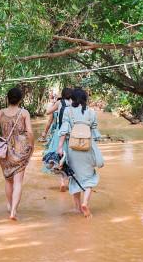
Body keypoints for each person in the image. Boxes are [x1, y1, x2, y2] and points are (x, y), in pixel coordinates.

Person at [0, 87, 34, 221]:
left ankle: (9, 205)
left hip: (5, 150)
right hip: (21, 149)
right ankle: (13, 210)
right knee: (18, 182)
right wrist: (32, 146)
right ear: (20, 99)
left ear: (8, 98)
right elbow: (30, 132)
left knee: (8, 180)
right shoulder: (24, 113)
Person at [57, 88, 103, 218]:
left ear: (72, 99)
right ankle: (85, 203)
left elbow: (64, 130)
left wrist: (60, 147)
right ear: (85, 99)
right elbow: (94, 133)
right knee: (89, 178)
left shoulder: (68, 110)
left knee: (74, 177)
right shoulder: (91, 112)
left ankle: (77, 208)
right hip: (88, 148)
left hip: (73, 149)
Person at [41, 87, 73, 191]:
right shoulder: (74, 103)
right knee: (69, 157)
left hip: (59, 133)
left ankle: (62, 182)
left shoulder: (60, 103)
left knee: (57, 157)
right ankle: (70, 181)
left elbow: (48, 112)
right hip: (71, 133)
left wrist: (54, 103)